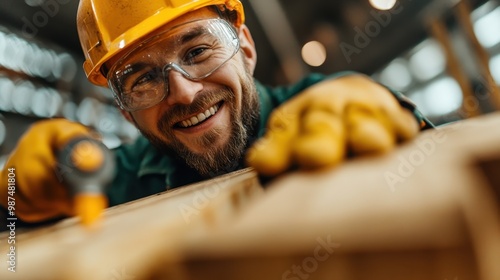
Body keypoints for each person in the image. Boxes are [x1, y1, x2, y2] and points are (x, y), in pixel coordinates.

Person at [0, 0, 432, 225]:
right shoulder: (117, 179)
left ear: (245, 47)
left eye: (198, 51)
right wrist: (14, 198)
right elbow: (15, 241)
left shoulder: (326, 110)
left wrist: (408, 122)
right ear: (126, 111)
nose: (184, 94)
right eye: (142, 80)